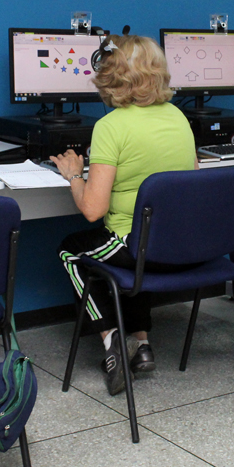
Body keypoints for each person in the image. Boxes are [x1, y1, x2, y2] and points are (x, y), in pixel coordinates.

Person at [52, 35, 197, 396]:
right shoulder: (179, 118)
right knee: (146, 244)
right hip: (178, 245)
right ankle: (141, 343)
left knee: (70, 250)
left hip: (132, 244)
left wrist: (73, 175)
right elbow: (193, 181)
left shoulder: (111, 127)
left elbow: (92, 210)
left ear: (111, 74)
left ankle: (111, 340)